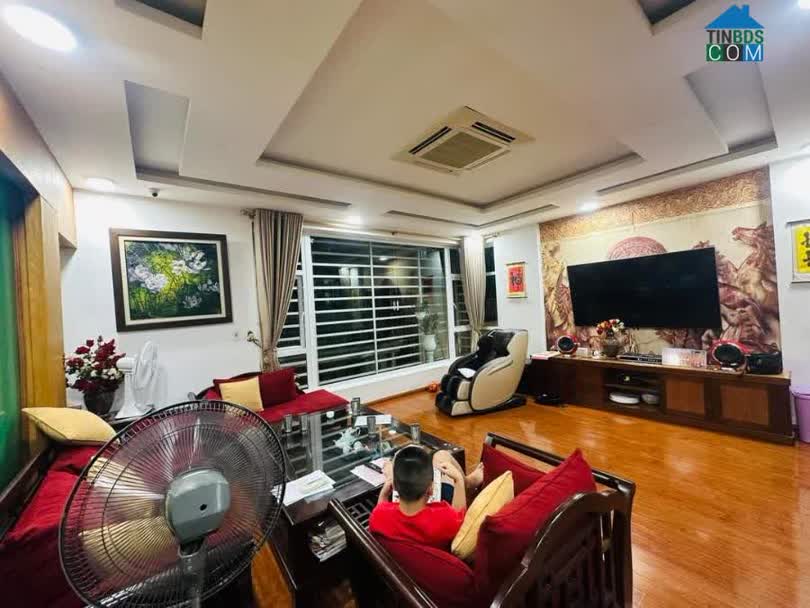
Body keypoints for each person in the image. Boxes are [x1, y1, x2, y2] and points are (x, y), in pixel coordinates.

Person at [368, 445, 483, 551]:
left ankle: (468, 481)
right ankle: (468, 483)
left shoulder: (378, 517)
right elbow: (459, 516)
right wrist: (458, 480)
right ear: (431, 489)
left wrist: (383, 494)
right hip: (436, 528)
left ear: (394, 487)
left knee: (439, 456)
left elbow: (380, 509)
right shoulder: (444, 519)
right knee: (441, 455)